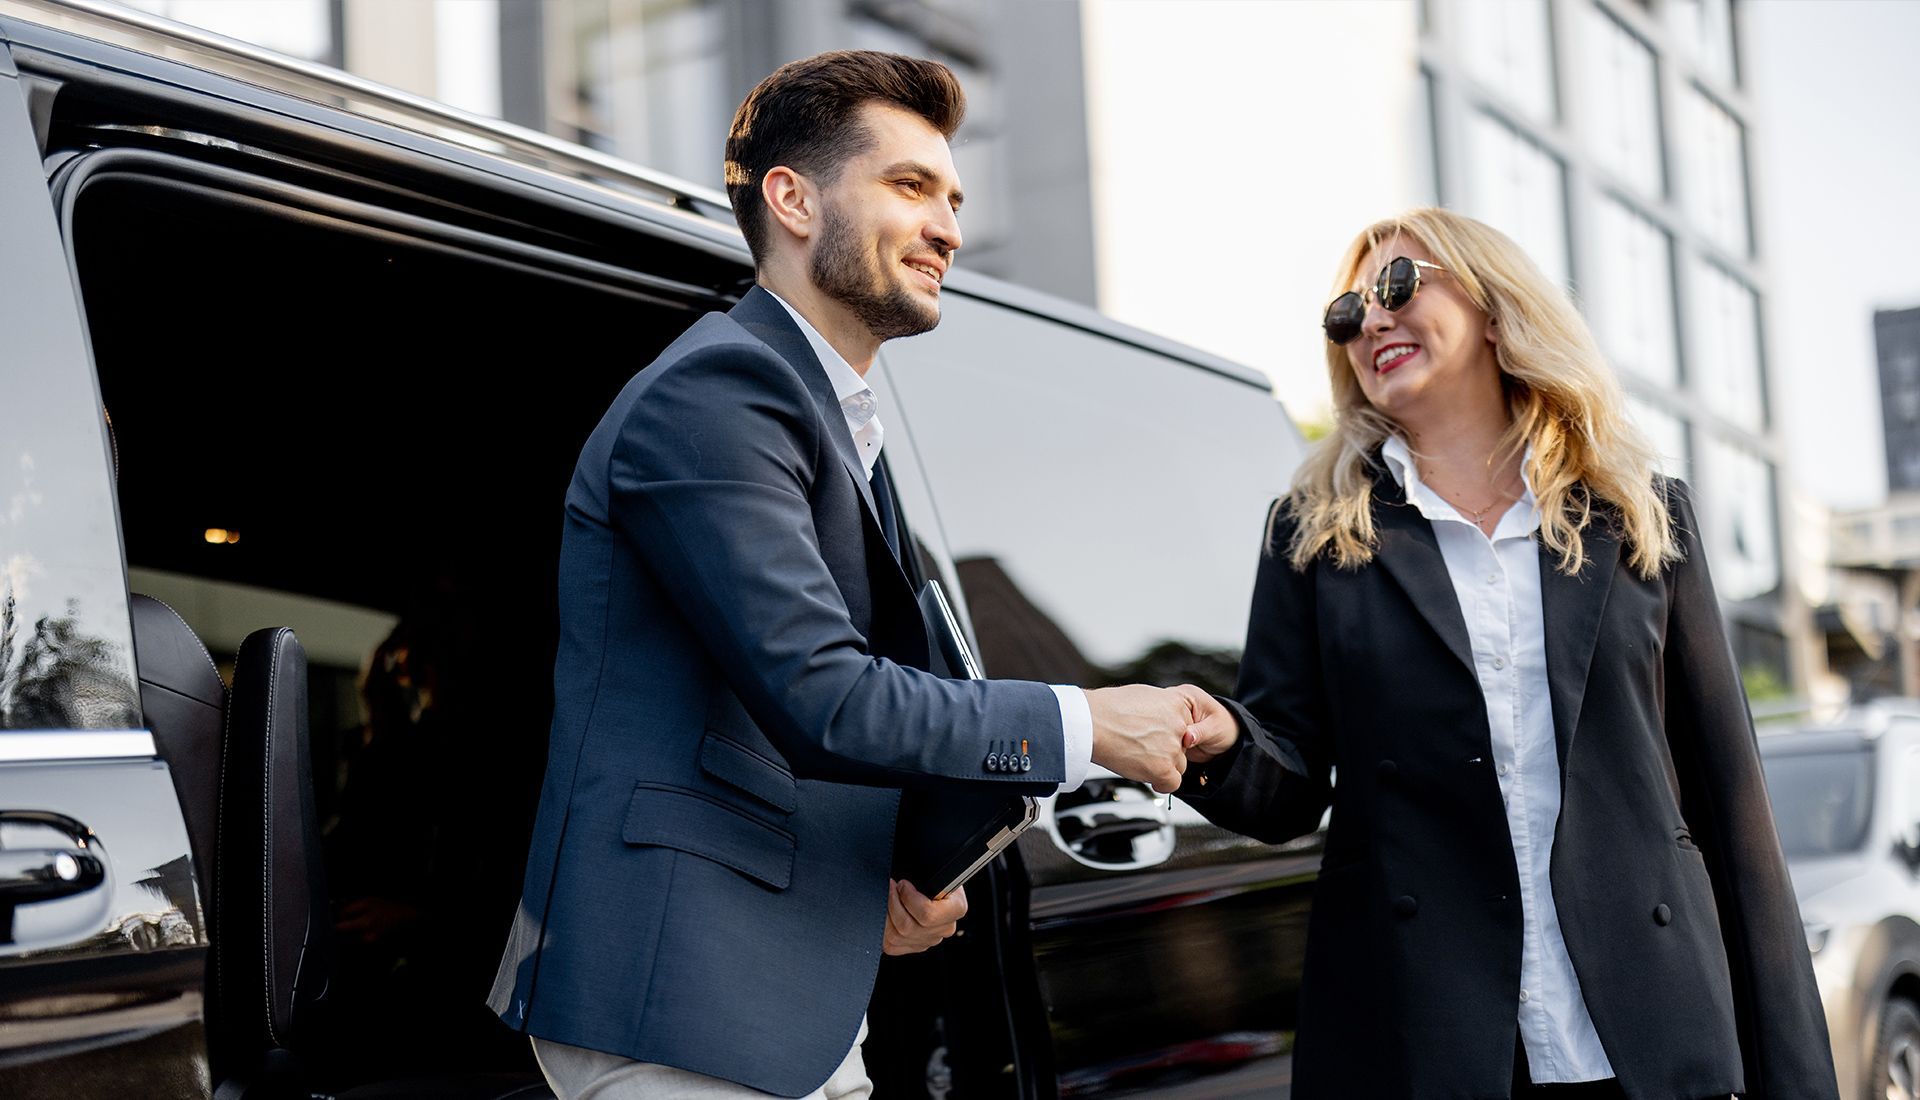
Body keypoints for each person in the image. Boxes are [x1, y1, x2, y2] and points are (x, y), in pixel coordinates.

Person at [489, 50, 1200, 1100]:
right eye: (910, 186)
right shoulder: (721, 391)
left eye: (953, 197)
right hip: (676, 1000)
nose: (949, 227)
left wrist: (880, 873)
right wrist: (1086, 722)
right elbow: (822, 696)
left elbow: (769, 723)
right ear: (793, 198)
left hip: (781, 1001)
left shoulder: (836, 421)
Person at [1176, 208, 1837, 1099]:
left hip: (1653, 1031)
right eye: (1347, 311)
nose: (1370, 320)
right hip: (1428, 1041)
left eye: (1399, 287)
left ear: (1495, 309)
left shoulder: (1641, 513)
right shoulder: (1315, 534)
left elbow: (1733, 807)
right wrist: (1214, 737)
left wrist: (1796, 1077)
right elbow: (1287, 781)